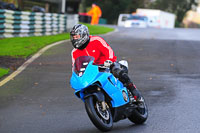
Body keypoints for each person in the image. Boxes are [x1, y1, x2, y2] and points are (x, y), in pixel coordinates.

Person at [70, 24, 142, 101]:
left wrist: (109, 60)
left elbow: (108, 50)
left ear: (84, 35)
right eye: (73, 37)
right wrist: (77, 76)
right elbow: (75, 66)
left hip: (107, 64)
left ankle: (134, 91)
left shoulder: (96, 40)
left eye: (77, 36)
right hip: (92, 71)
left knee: (118, 72)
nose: (74, 39)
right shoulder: (74, 52)